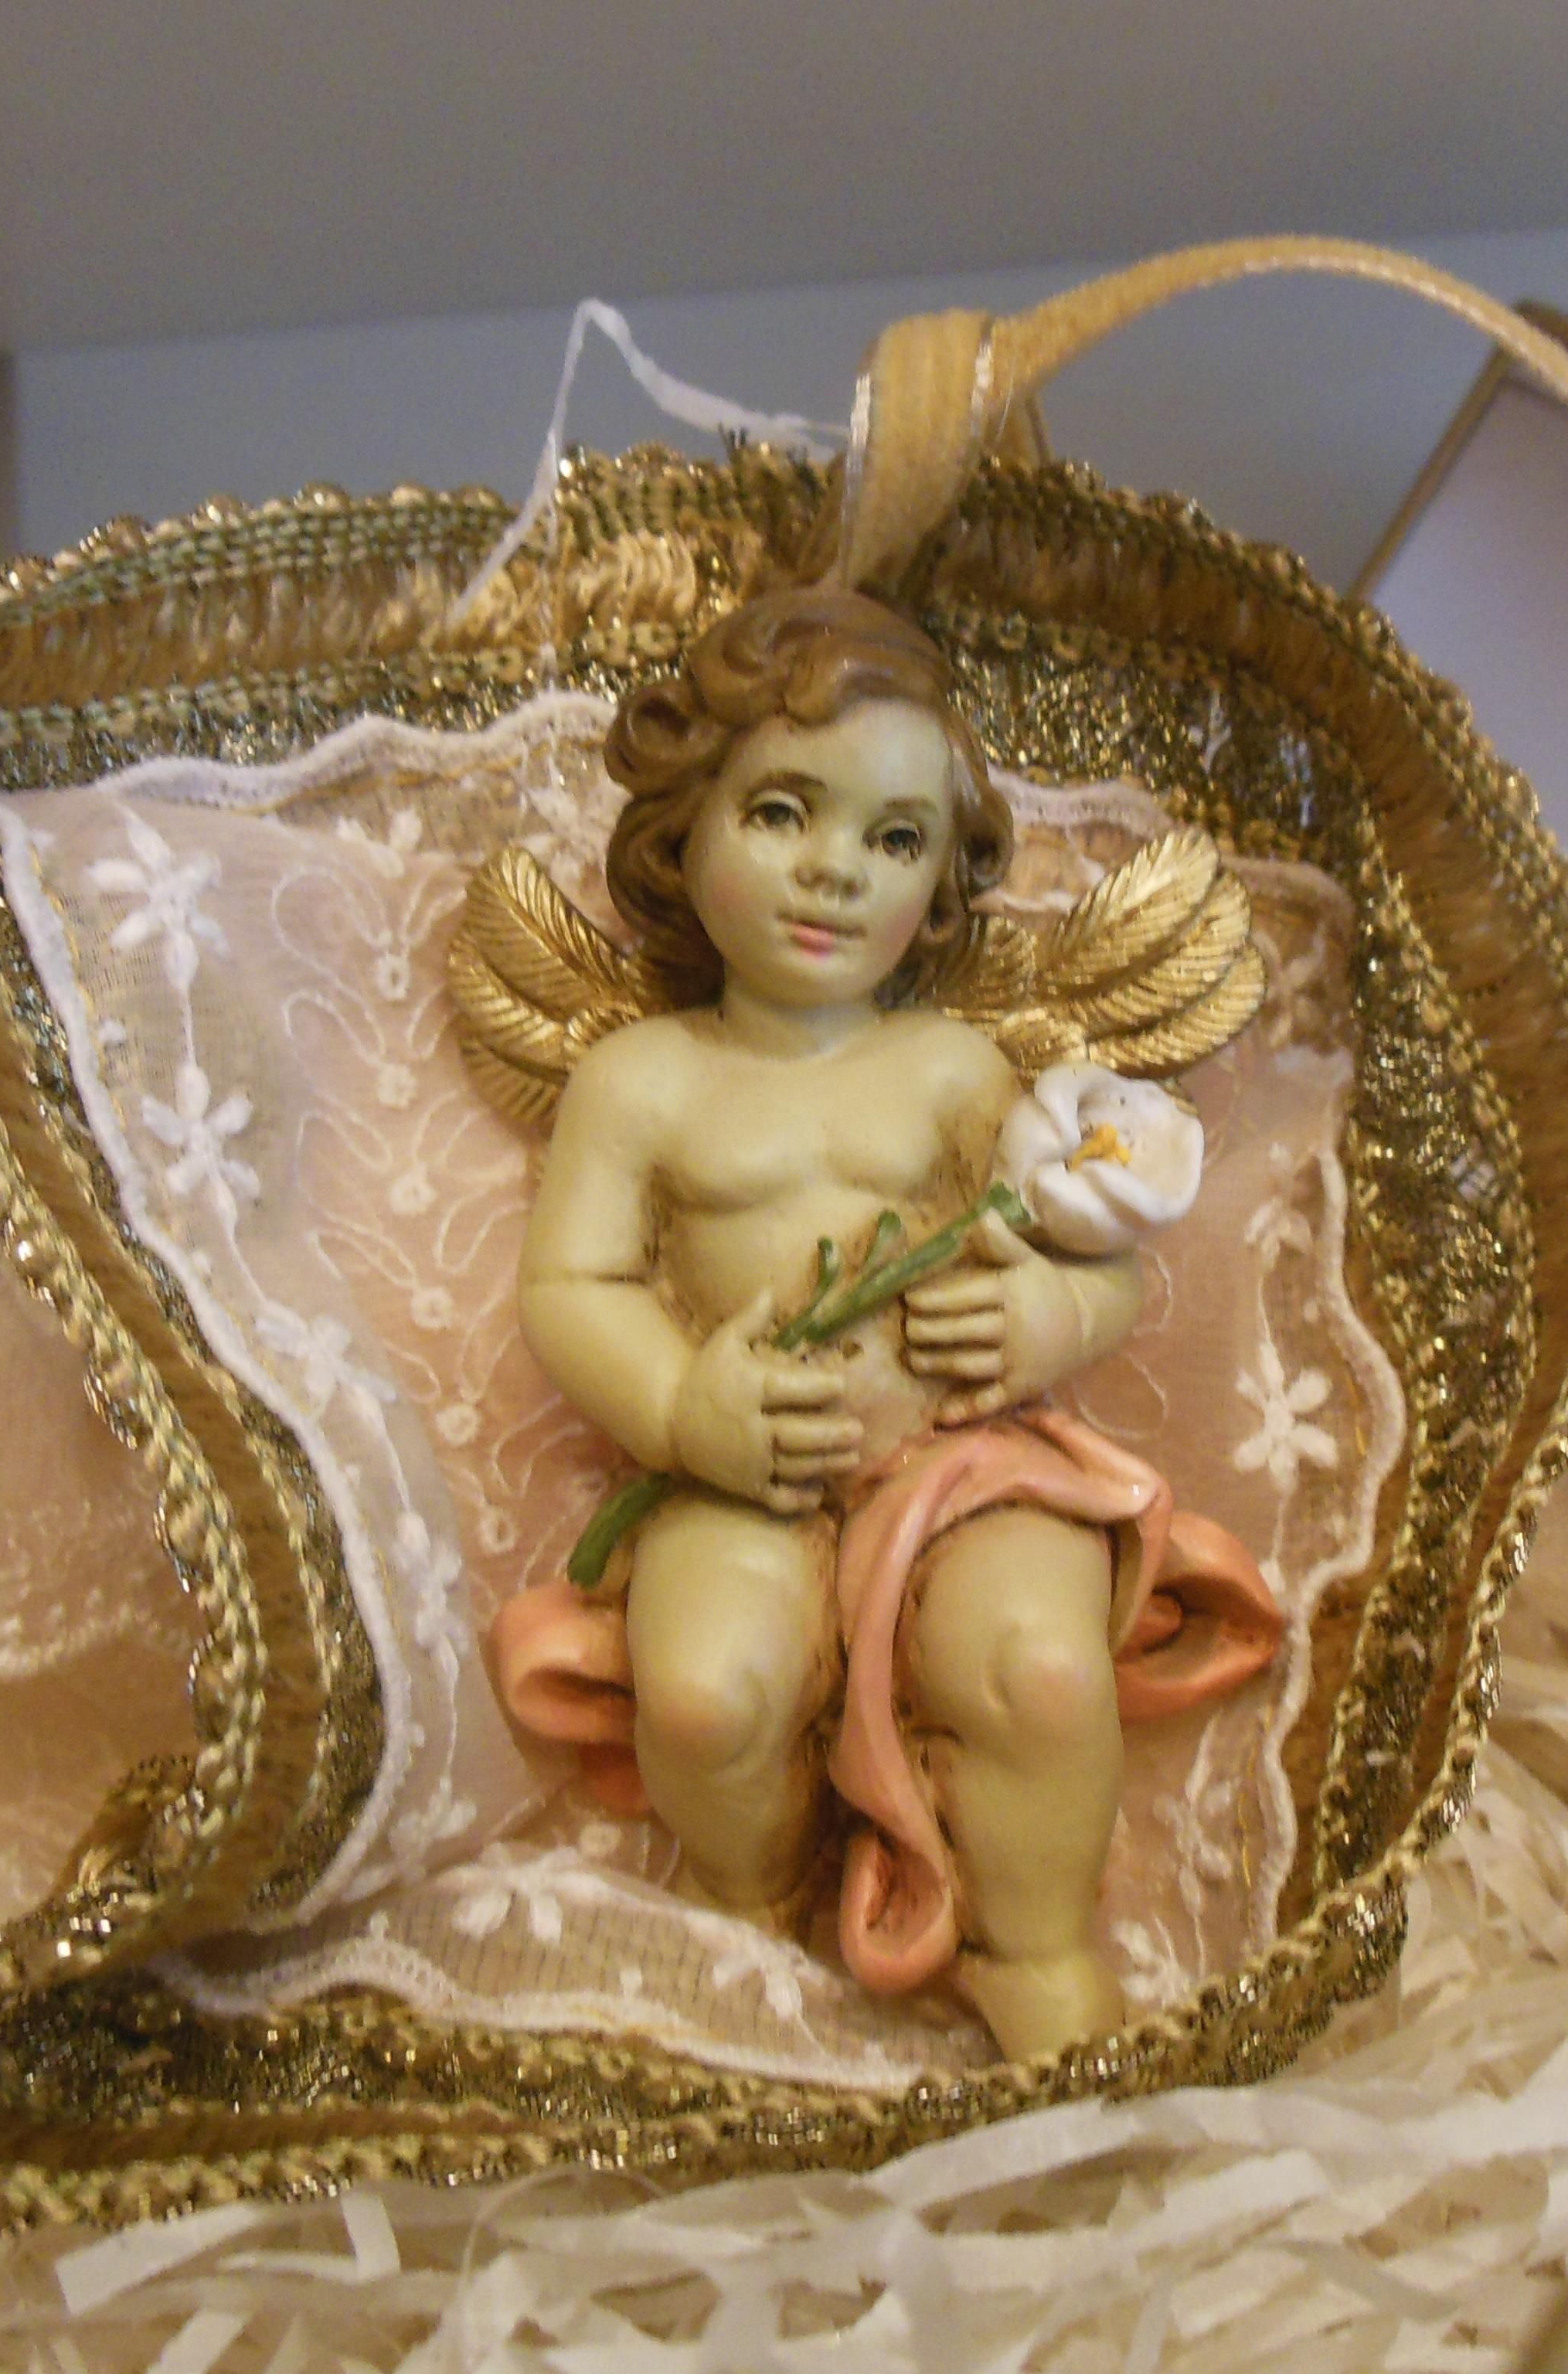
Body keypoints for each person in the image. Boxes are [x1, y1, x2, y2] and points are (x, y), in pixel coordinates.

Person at [486, 584, 1277, 2058]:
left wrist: (1048, 1314)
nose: (836, 871)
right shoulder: (642, 1079)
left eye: (895, 840)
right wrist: (685, 1410)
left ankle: (1034, 1944)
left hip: (965, 1464)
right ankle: (752, 1913)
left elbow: (1100, 1254)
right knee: (705, 1698)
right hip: (748, 1477)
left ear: (940, 881)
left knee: (1040, 1673)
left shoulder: (952, 1066)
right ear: (682, 831)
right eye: (784, 811)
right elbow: (572, 1288)